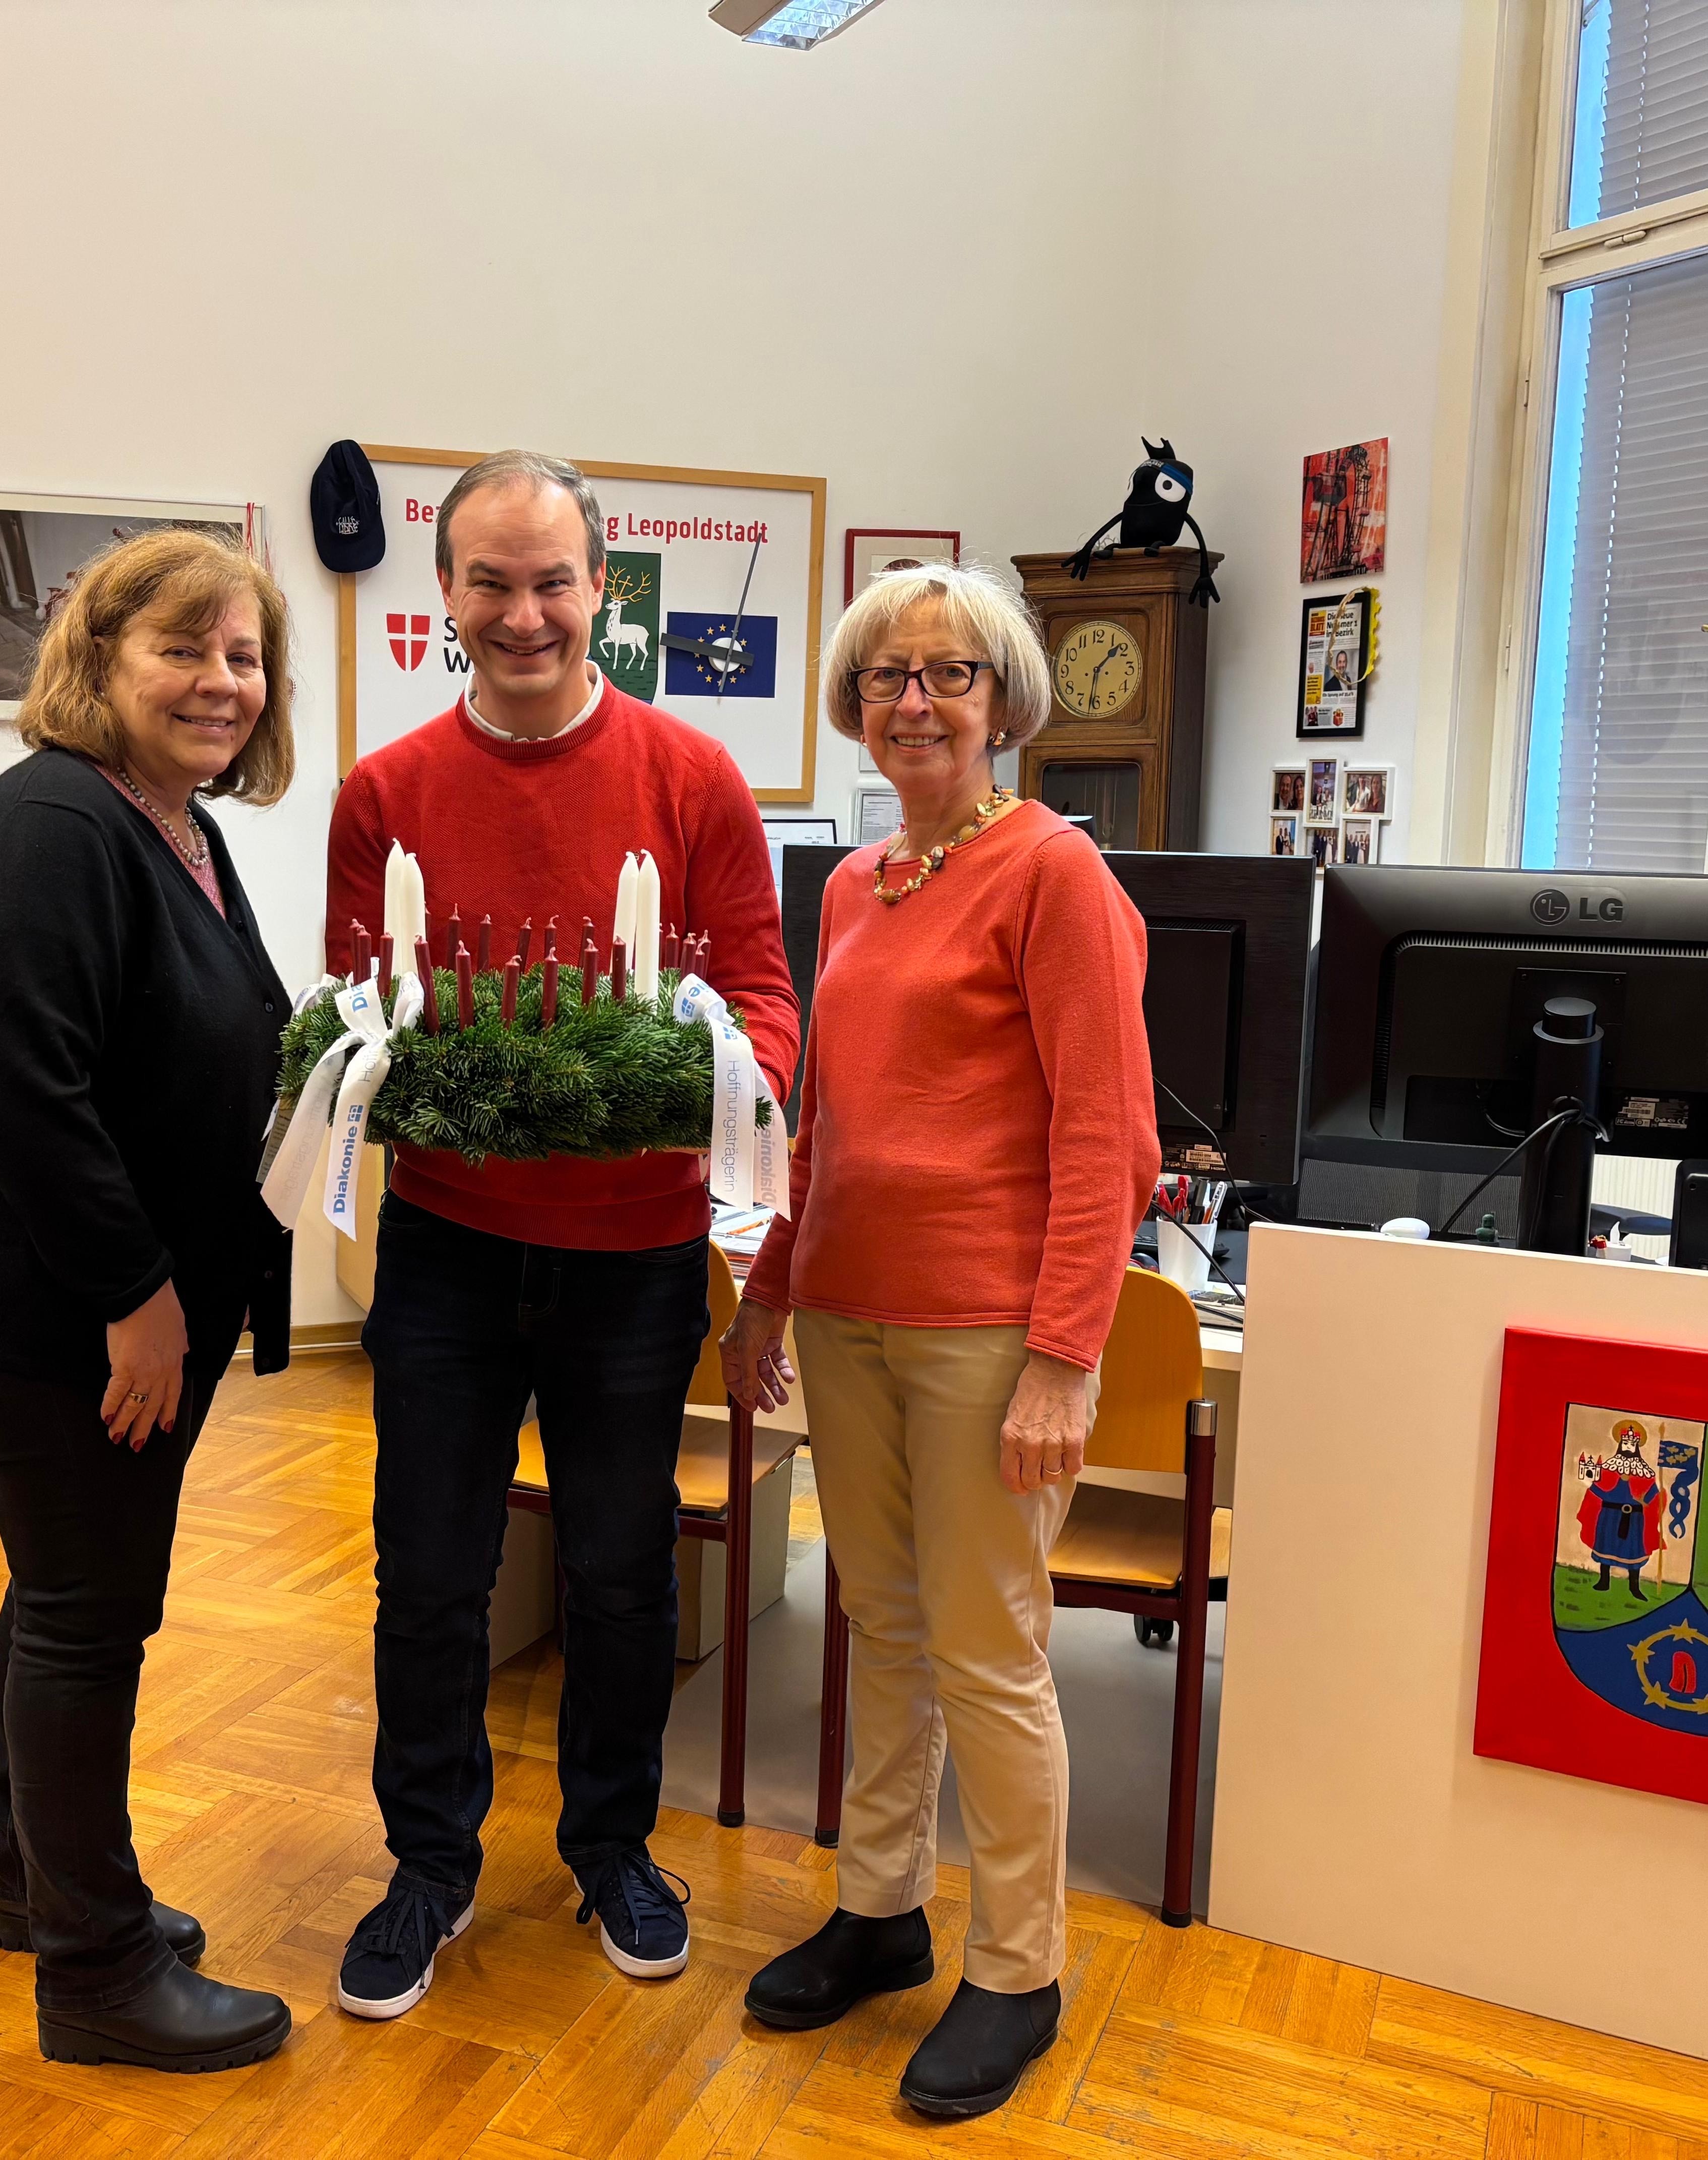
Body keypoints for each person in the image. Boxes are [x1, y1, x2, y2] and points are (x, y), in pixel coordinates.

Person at [323, 449, 799, 2018]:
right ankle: (429, 1859)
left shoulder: (693, 778)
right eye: (490, 582)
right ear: (444, 594)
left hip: (635, 1255)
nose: (522, 614)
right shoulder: (384, 793)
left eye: (551, 581)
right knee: (428, 1571)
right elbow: (358, 1004)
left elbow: (762, 995)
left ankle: (610, 1845)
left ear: (601, 586)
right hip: (447, 1249)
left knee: (619, 1572)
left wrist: (715, 1084)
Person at [720, 562, 1157, 2122]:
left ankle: (1019, 1967)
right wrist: (768, 1287)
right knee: (883, 1628)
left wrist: (1064, 1356)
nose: (914, 700)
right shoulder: (856, 884)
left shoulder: (1055, 873)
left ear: (1001, 700)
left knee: (987, 1649)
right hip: (847, 1312)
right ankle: (881, 1907)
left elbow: (1109, 1136)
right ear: (856, 703)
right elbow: (822, 1122)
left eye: (948, 673)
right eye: (886, 676)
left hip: (984, 1328)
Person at [0, 529, 298, 2075]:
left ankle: (38, 1886)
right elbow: (23, 1086)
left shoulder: (170, 820)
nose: (219, 682)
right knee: (88, 1612)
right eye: (181, 649)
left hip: (107, 1297)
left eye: (242, 655)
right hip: (64, 1310)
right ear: (99, 658)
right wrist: (138, 1293)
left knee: (59, 1591)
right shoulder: (57, 819)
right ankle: (97, 1970)